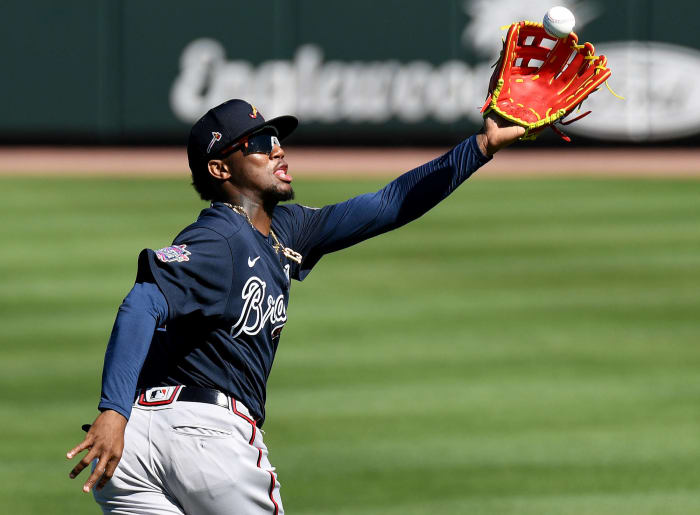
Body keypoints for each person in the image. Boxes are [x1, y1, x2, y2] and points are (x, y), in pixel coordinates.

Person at [66, 98, 524, 514]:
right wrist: (113, 410)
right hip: (194, 437)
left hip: (137, 454)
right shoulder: (219, 238)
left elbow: (389, 204)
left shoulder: (287, 230)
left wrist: (481, 146)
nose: (278, 149)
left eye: (276, 139)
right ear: (221, 170)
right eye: (260, 144)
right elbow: (142, 301)